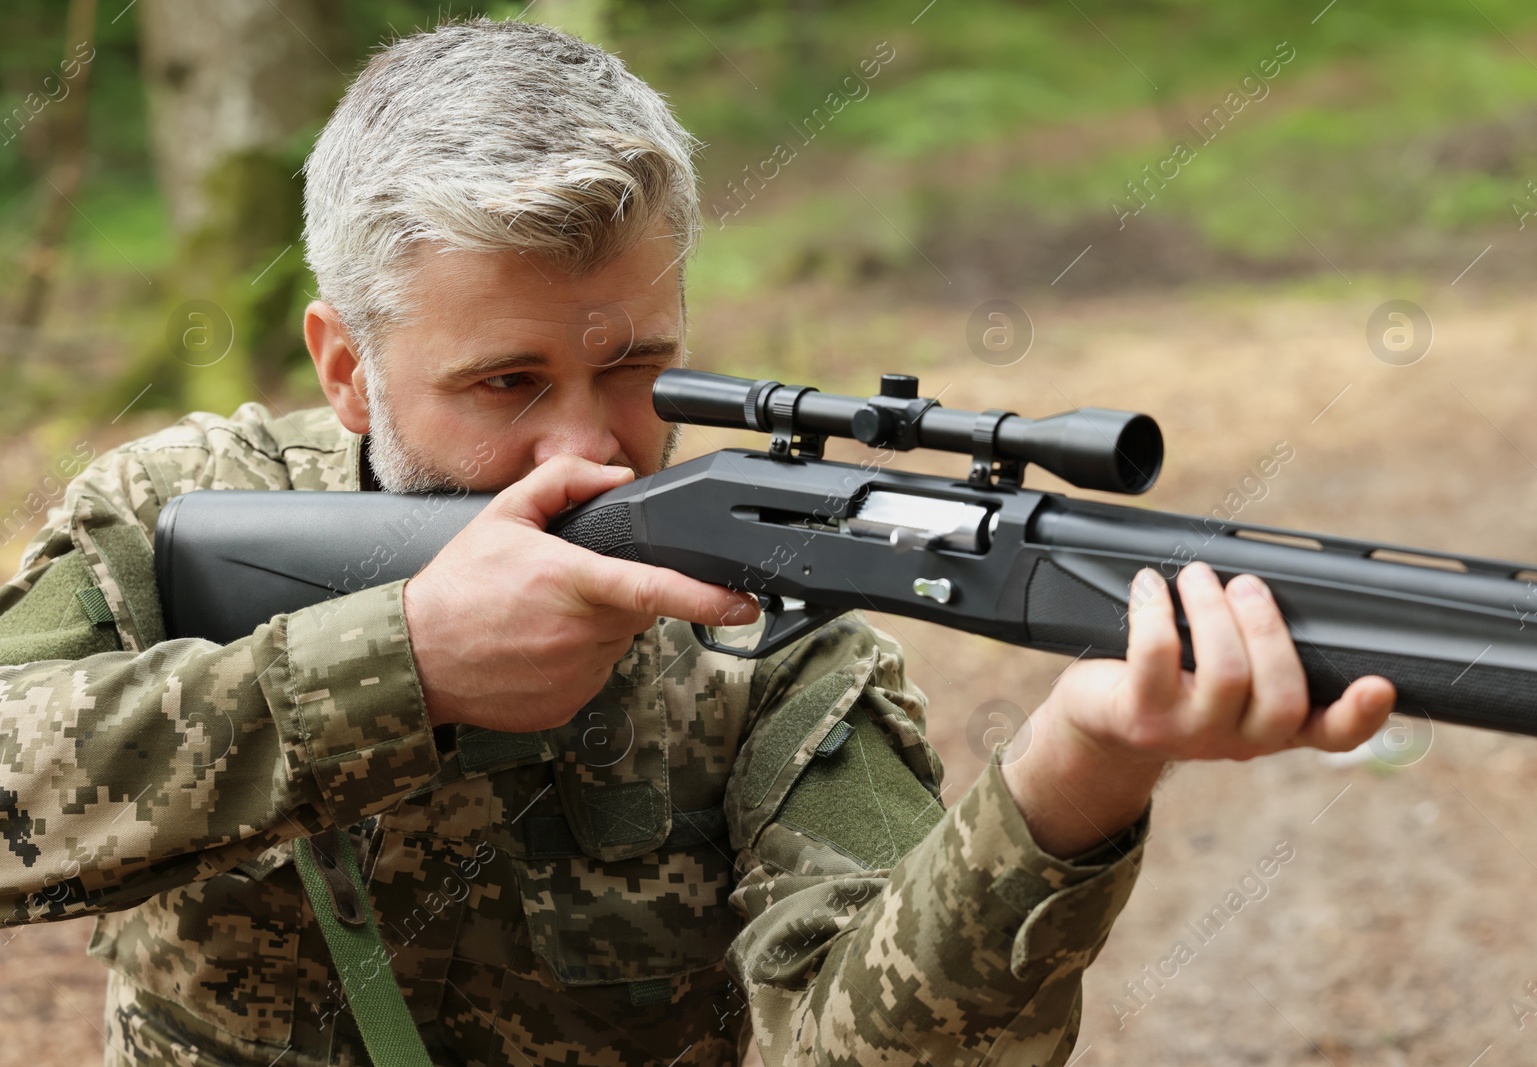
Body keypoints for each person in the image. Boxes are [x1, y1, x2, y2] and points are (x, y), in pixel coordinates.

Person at [0, 18, 1396, 1067]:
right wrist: (400, 665)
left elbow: (867, 1045)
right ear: (348, 369)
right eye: (506, 383)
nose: (586, 448)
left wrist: (1072, 779)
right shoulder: (167, 517)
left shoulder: (769, 629)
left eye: (638, 367)